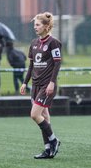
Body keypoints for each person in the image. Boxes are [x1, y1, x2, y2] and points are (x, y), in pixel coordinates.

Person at [20, 12, 62, 159]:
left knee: (34, 114)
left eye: (37, 25)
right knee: (44, 117)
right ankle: (48, 149)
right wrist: (25, 83)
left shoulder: (53, 42)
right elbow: (31, 66)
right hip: (35, 85)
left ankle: (54, 140)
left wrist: (52, 82)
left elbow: (57, 64)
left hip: (46, 85)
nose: (35, 27)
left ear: (46, 26)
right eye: (34, 25)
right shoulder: (33, 43)